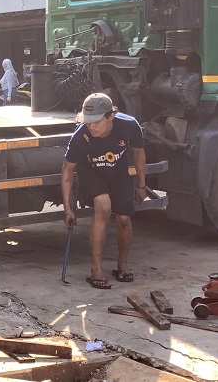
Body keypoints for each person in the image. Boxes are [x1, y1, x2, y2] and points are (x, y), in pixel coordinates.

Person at [61, 93, 146, 290]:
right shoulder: (81, 137)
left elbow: (139, 153)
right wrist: (67, 209)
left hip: (118, 171)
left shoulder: (129, 126)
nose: (91, 127)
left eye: (96, 121)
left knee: (123, 218)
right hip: (92, 170)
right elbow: (66, 172)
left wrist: (142, 185)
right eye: (88, 121)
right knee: (104, 206)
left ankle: (122, 264)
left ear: (111, 116)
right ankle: (96, 269)